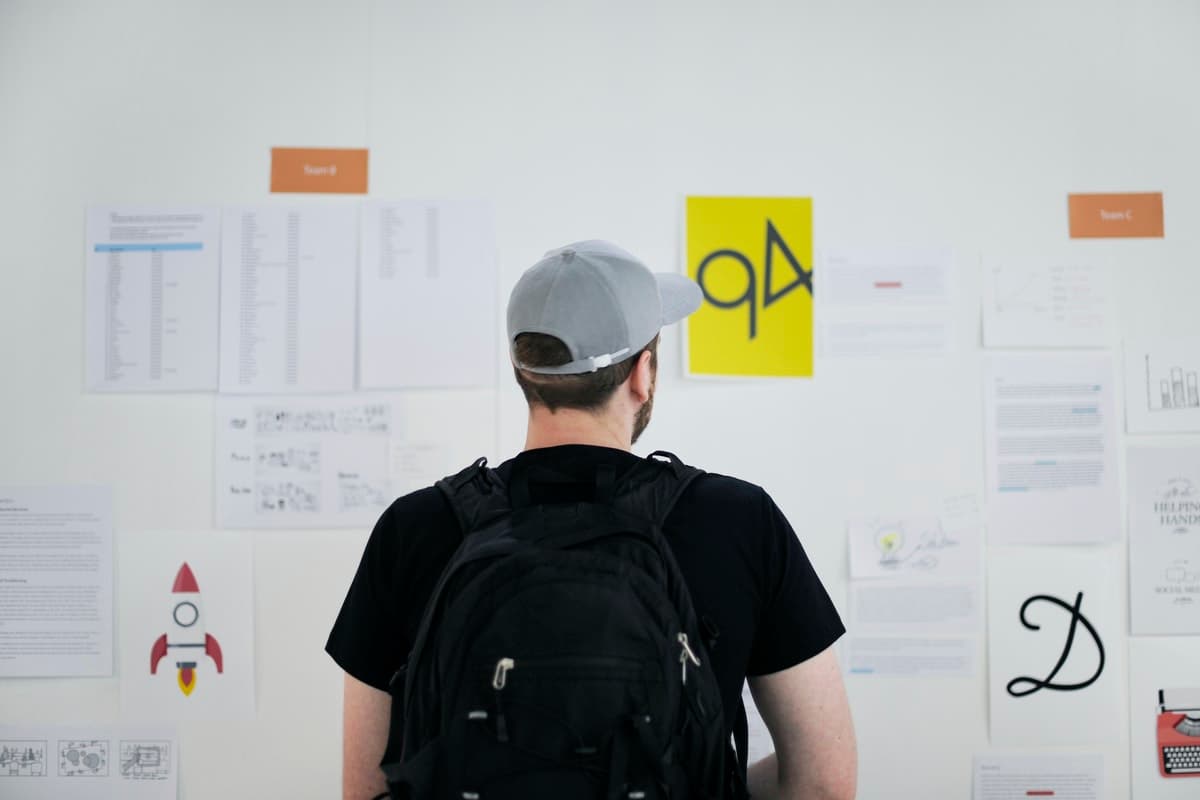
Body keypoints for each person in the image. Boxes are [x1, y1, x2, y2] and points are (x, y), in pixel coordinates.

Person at [327, 240, 857, 800]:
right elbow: (824, 782)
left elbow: (368, 789)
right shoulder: (739, 522)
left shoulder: (413, 528)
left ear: (522, 373)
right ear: (642, 375)